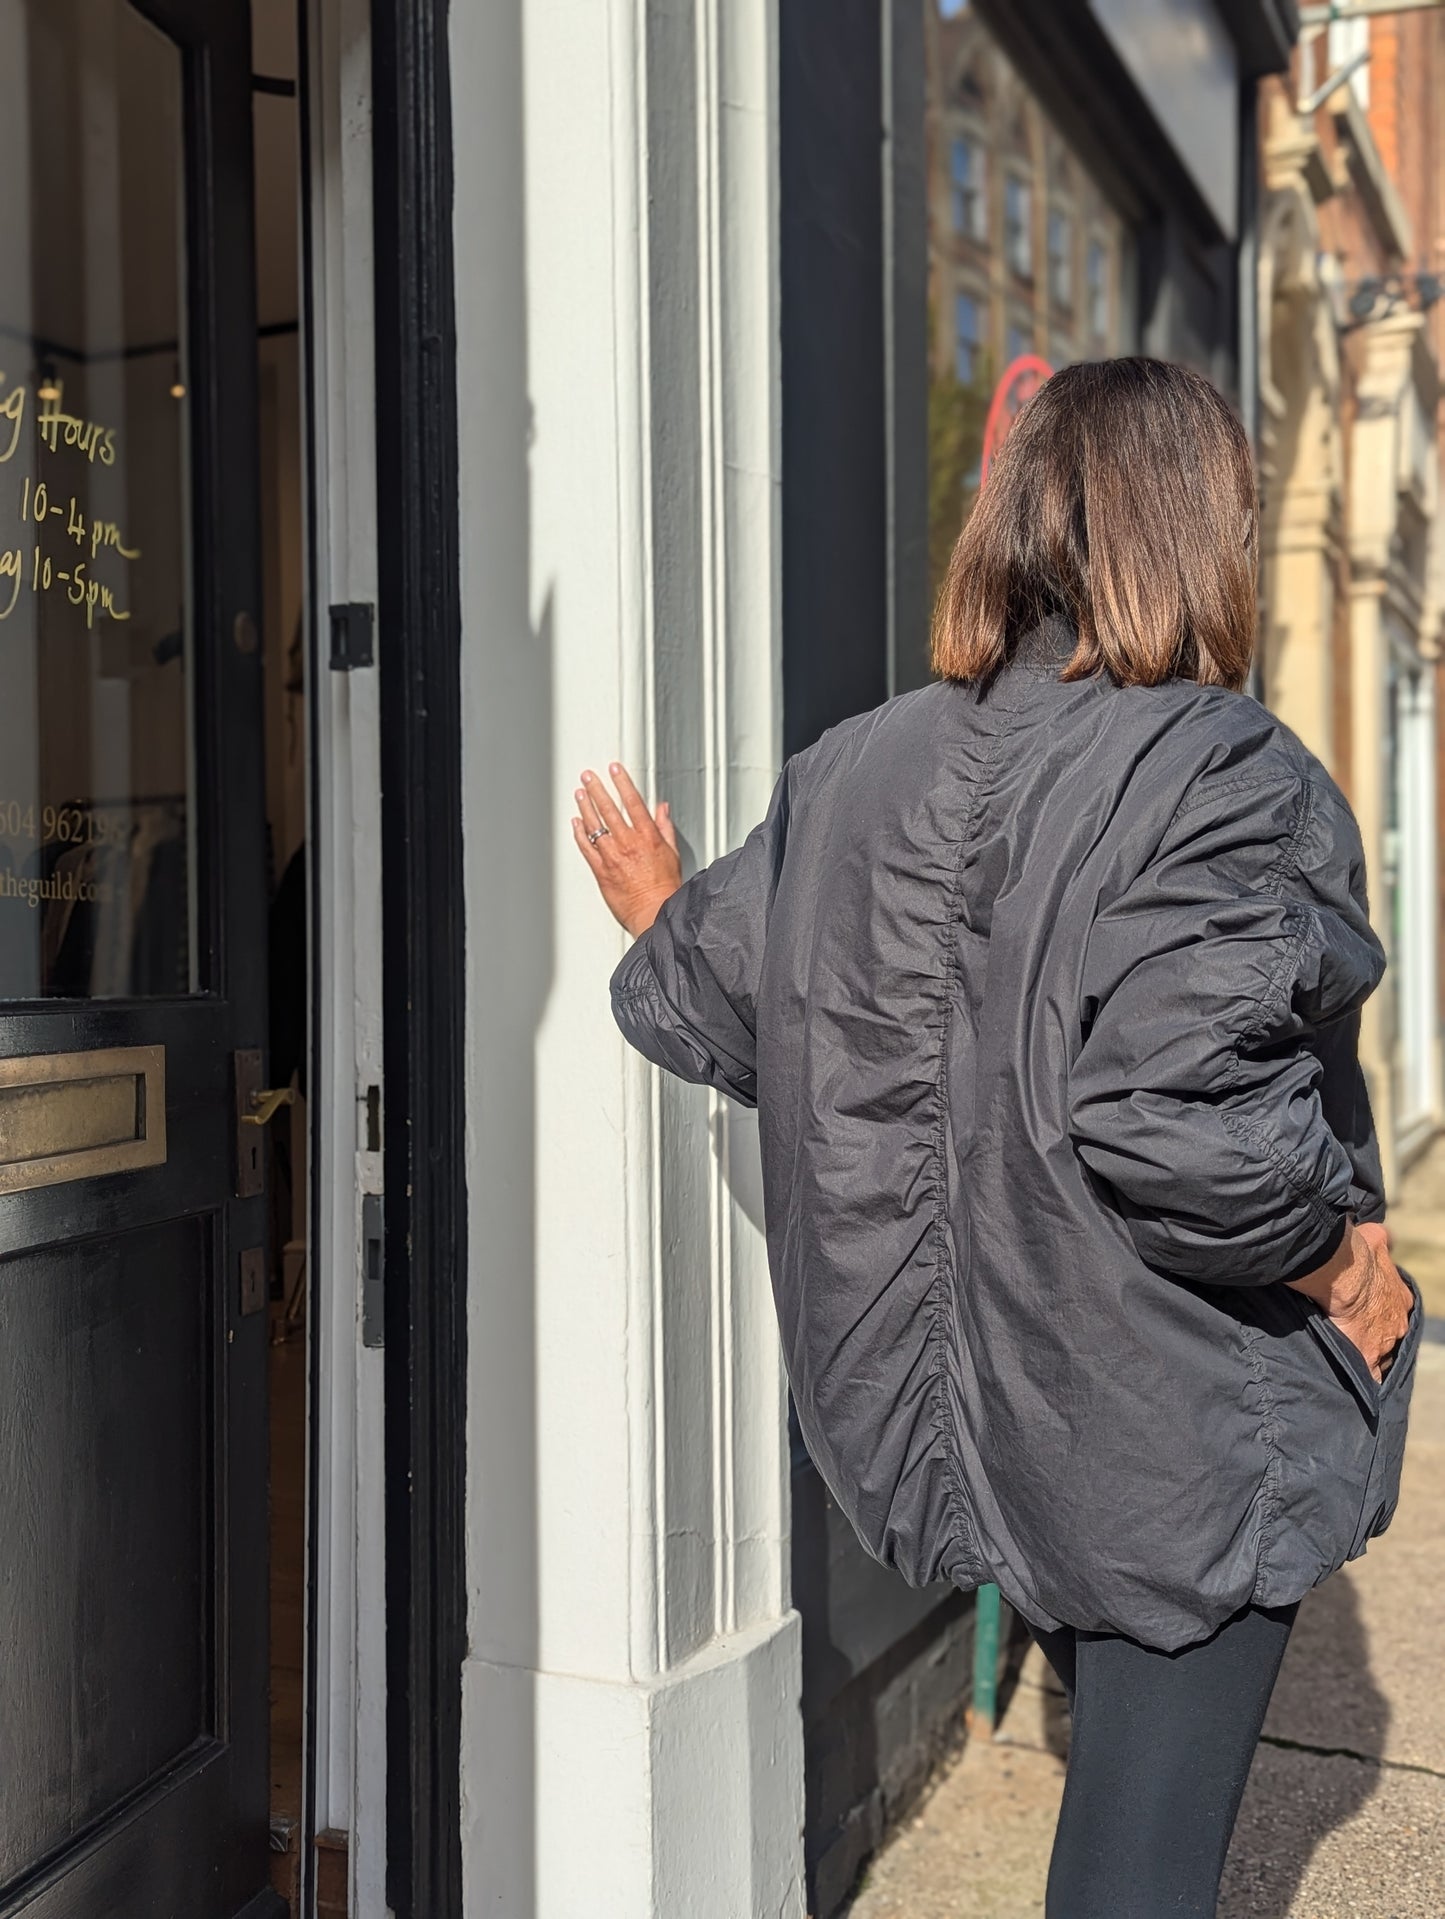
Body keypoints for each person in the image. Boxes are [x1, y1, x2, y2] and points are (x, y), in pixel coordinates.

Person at [571, 357, 1421, 1918]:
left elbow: (769, 1015)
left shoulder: (853, 771)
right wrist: (1343, 1273)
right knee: (1140, 1866)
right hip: (1173, 1412)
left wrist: (661, 913)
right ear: (1193, 527)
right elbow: (1172, 1115)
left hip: (983, 1410)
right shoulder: (1217, 772)